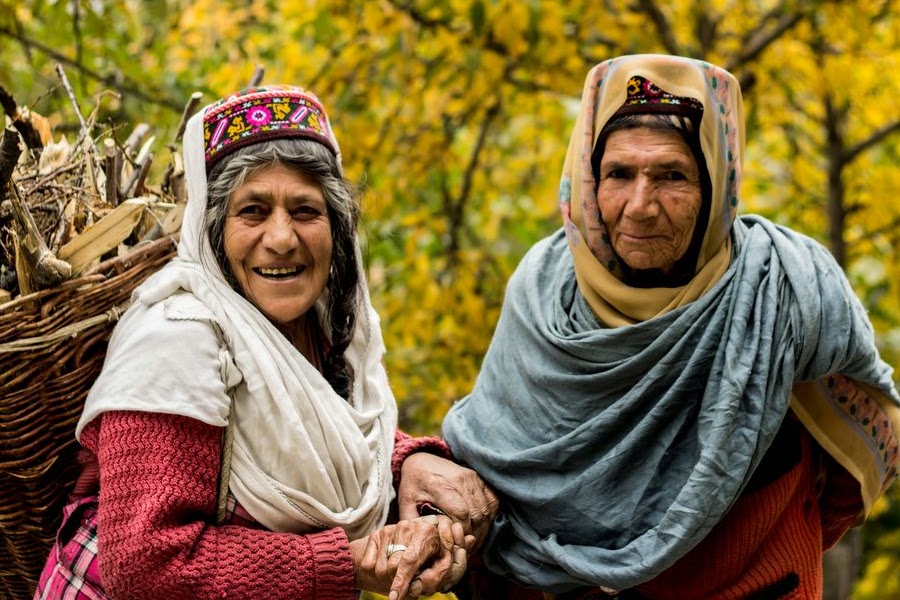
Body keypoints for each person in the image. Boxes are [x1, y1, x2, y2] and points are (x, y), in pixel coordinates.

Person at [442, 54, 900, 599]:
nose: (640, 206)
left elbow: (861, 452)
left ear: (716, 184)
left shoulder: (785, 287)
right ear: (587, 180)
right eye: (618, 174)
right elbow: (494, 462)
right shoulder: (542, 294)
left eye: (672, 176)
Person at [34, 85, 496, 600]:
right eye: (252, 211)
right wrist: (348, 563)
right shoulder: (174, 342)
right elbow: (148, 566)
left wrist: (407, 462)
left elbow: (317, 436)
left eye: (305, 211)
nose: (281, 238)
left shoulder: (321, 328)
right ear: (213, 231)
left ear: (336, 229)